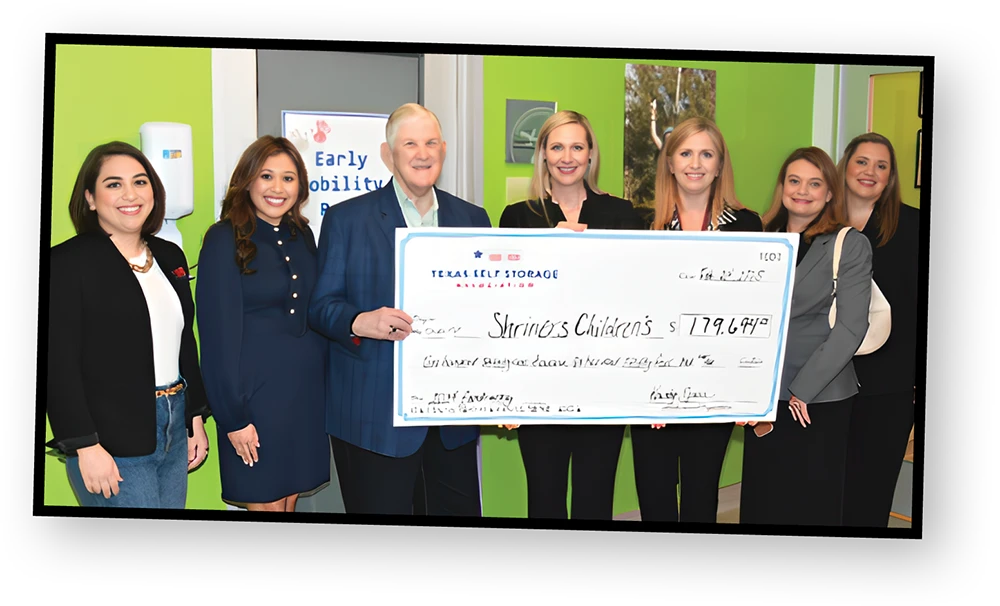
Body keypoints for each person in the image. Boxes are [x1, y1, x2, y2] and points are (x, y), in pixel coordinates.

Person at [307, 103, 491, 516]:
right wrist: (361, 321)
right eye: (410, 144)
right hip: (374, 416)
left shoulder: (473, 219)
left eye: (431, 143)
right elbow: (320, 307)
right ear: (388, 154)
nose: (422, 154)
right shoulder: (346, 219)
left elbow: (490, 308)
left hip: (451, 419)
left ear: (444, 150)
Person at [47, 141, 211, 508]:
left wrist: (194, 417)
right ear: (90, 198)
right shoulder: (67, 263)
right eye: (114, 184)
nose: (130, 194)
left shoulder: (169, 256)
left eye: (140, 182)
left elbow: (184, 342)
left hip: (174, 425)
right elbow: (58, 364)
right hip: (110, 440)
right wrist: (85, 445)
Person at [498, 110, 643, 519]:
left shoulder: (622, 214)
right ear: (543, 154)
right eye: (557, 147)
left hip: (604, 380)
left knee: (595, 500)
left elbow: (635, 298)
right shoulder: (518, 217)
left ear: (590, 154)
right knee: (544, 498)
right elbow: (505, 304)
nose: (567, 157)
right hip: (538, 381)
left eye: (577, 147)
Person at [630, 117, 762, 523]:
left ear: (720, 165)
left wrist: (748, 389)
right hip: (651, 385)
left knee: (701, 495)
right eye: (686, 153)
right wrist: (645, 392)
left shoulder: (747, 226)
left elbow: (755, 312)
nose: (696, 163)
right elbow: (628, 310)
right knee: (654, 493)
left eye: (707, 154)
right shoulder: (640, 225)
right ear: (670, 162)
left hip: (714, 383)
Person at [739, 146, 873, 526]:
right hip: (764, 395)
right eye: (794, 181)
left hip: (818, 398)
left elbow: (851, 327)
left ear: (829, 192)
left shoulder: (849, 243)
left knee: (811, 504)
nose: (802, 191)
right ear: (782, 187)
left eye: (815, 184)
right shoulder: (760, 237)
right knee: (764, 500)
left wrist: (802, 390)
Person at [196, 136, 330, 512]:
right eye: (267, 176)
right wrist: (232, 418)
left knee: (289, 501)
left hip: (304, 396)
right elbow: (216, 338)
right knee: (267, 503)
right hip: (253, 399)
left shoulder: (302, 235)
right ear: (248, 180)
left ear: (300, 186)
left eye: (288, 178)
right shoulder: (223, 238)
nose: (277, 188)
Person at [837, 133, 918, 527]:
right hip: (823, 384)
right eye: (862, 161)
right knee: (824, 490)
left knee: (871, 493)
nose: (870, 171)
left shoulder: (913, 225)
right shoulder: (817, 220)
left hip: (890, 384)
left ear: (890, 176)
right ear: (845, 167)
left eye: (881, 165)